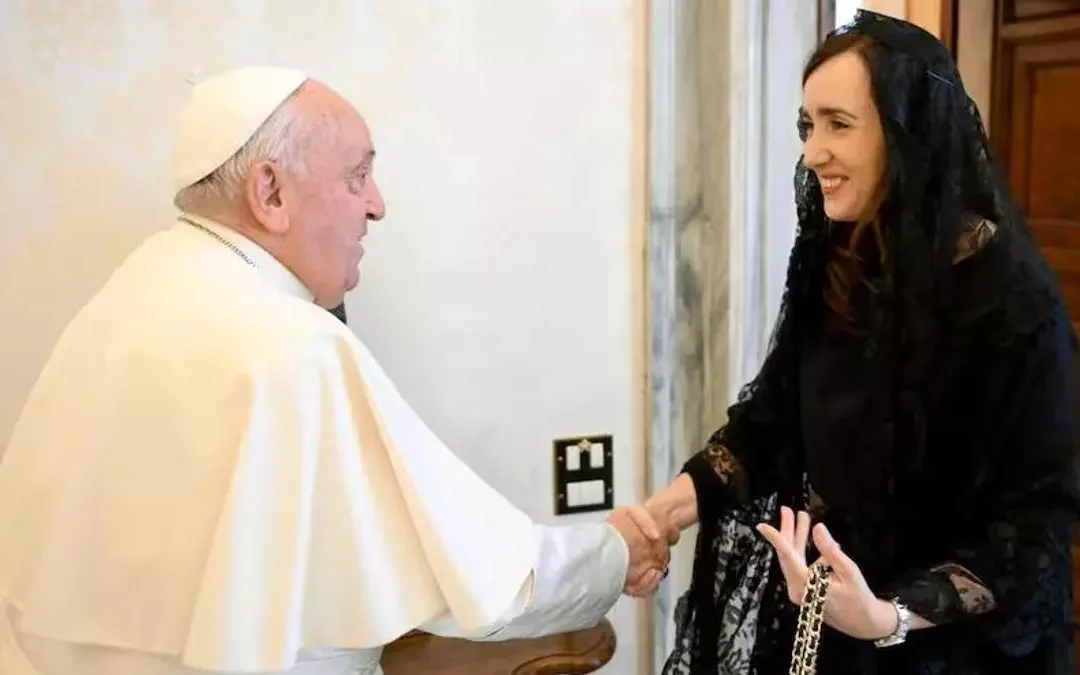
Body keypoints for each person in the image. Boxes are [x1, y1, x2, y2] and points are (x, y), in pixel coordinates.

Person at [0, 66, 675, 675]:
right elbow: (480, 580)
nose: (376, 204)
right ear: (270, 191)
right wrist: (616, 552)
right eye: (357, 176)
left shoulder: (127, 293)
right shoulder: (290, 344)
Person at [643, 10, 1080, 674]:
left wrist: (889, 614)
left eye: (838, 124)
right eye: (807, 125)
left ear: (911, 135)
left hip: (957, 652)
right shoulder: (839, 254)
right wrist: (663, 512)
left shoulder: (1017, 310)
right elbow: (773, 419)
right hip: (832, 624)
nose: (813, 151)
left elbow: (1033, 531)